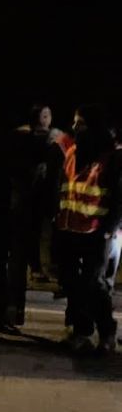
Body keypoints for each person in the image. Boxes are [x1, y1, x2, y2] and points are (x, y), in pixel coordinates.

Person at [55, 104, 122, 355]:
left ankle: (107, 333)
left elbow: (119, 197)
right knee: (71, 282)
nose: (75, 127)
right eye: (75, 122)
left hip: (97, 230)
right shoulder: (72, 153)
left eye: (80, 123)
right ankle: (82, 331)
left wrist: (109, 228)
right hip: (70, 227)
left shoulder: (111, 157)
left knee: (94, 283)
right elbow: (63, 187)